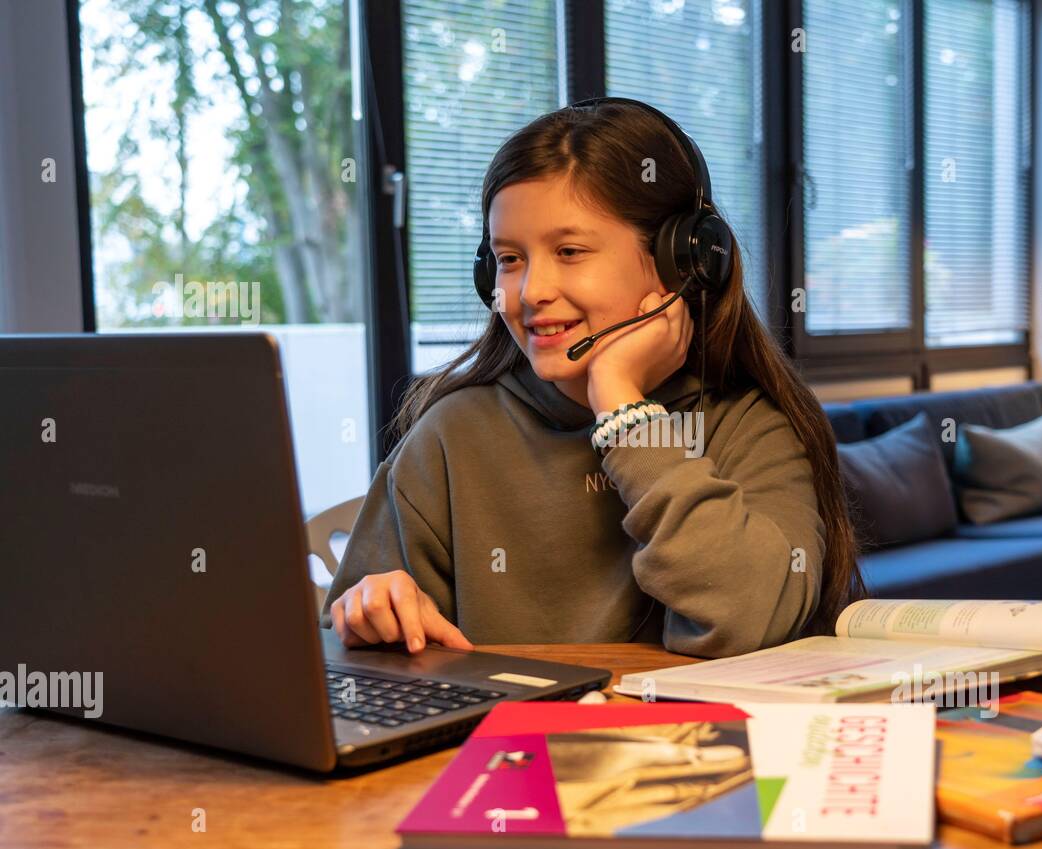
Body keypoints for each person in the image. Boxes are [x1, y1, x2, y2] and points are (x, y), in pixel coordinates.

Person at [321, 97, 866, 659]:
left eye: (570, 251)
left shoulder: (749, 428)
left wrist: (624, 410)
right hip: (504, 746)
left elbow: (745, 621)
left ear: (681, 261)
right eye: (509, 259)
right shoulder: (452, 435)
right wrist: (371, 606)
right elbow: (343, 650)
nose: (531, 292)